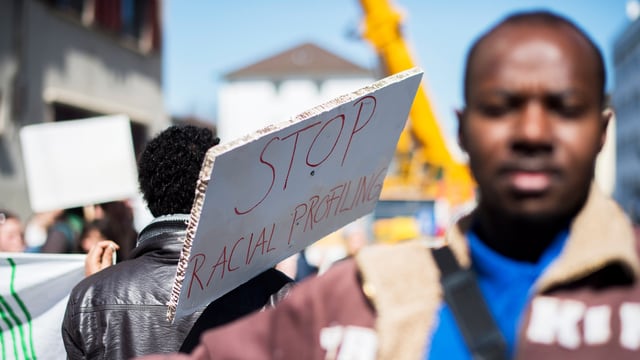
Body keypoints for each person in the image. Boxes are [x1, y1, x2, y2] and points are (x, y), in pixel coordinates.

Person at [138, 10, 640, 360]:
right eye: (501, 107)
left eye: (564, 108)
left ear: (601, 129)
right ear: (462, 129)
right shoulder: (355, 295)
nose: (532, 132)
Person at [62, 125, 292, 359]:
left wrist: (99, 294)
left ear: (147, 193)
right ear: (220, 188)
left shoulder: (89, 297)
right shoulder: (275, 292)